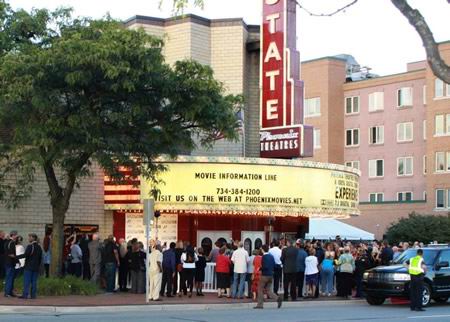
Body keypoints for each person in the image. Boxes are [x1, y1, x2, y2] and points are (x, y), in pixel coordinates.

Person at [254, 245, 282, 309]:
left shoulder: (264, 257)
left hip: (265, 275)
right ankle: (277, 298)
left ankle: (260, 304)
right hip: (271, 275)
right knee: (268, 290)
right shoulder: (271, 256)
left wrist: (260, 269)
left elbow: (265, 266)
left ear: (263, 250)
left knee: (260, 289)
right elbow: (275, 265)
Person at [18, 234, 43, 299]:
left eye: (29, 237)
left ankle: (25, 295)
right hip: (36, 267)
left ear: (33, 238)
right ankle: (33, 295)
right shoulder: (39, 247)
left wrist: (16, 257)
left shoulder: (30, 246)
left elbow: (26, 255)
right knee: (34, 282)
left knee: (27, 281)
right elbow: (40, 258)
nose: (28, 238)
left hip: (29, 266)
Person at [4, 230, 18, 297]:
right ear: (13, 235)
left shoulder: (6, 242)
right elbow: (11, 254)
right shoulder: (12, 243)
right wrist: (17, 260)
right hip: (10, 263)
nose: (17, 236)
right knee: (10, 278)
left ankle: (9, 292)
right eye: (16, 235)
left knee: (9, 278)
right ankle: (7, 293)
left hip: (7, 262)